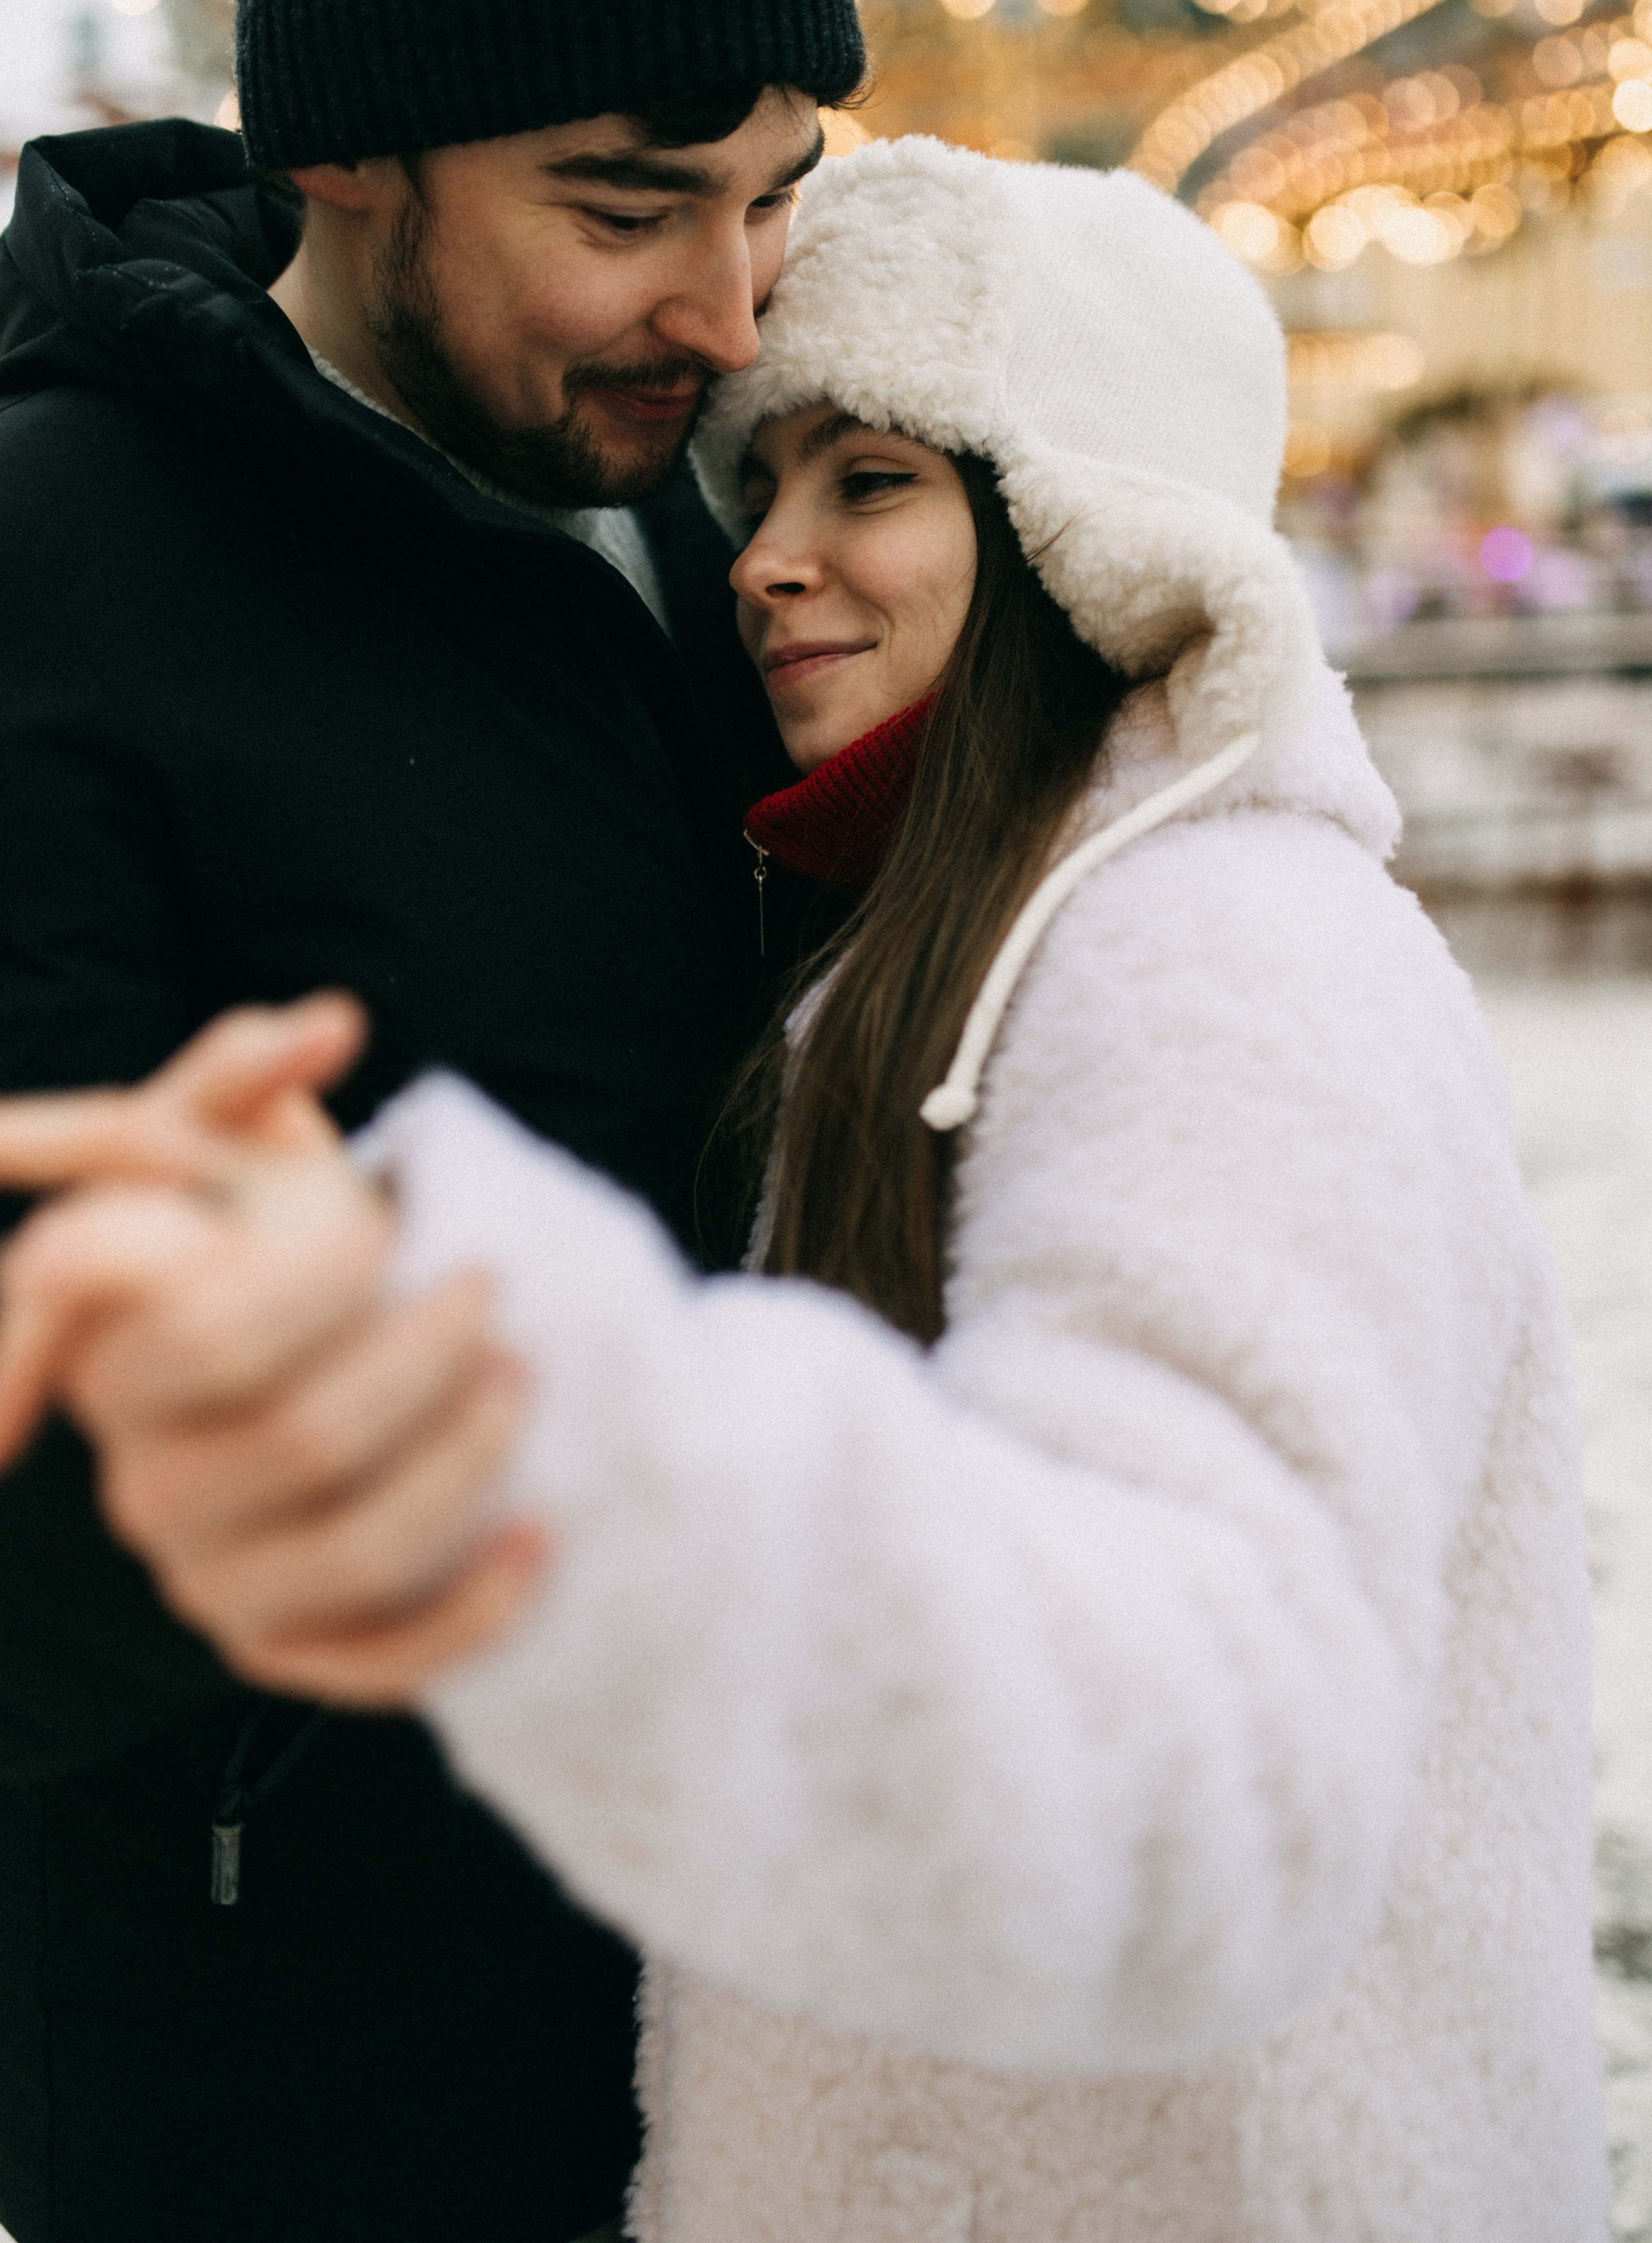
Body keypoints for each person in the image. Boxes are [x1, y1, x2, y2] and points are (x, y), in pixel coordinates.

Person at [0, 141, 1607, 2239]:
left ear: (1077, 529)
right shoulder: (919, 959)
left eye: (872, 483)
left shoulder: (1226, 956)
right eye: (759, 490)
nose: (764, 559)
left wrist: (517, 1402)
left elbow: (1200, 1769)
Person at [0, 0, 863, 2232]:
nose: (724, 300)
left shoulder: (746, 511)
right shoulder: (54, 574)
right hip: (297, 2050)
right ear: (358, 143)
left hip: (757, 1997)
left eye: (775, 191)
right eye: (625, 205)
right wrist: (207, 1474)